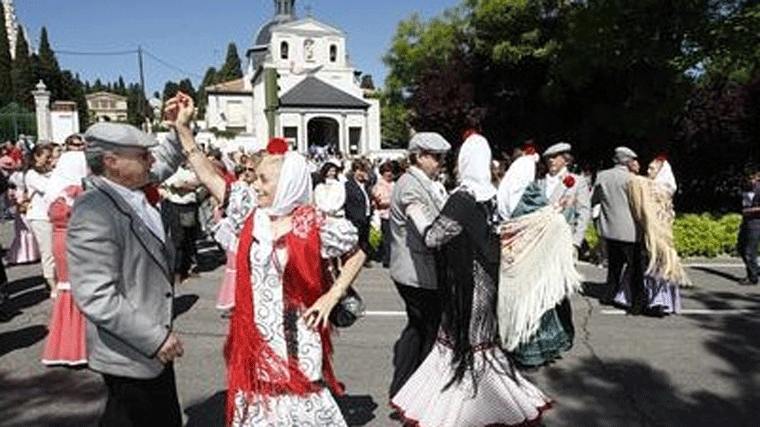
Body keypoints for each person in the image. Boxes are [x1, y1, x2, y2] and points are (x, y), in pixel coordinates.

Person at [164, 92, 367, 426]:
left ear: (287, 183)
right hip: (254, 336)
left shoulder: (312, 222)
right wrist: (184, 131)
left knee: (300, 406)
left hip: (297, 335)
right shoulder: (250, 212)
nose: (255, 186)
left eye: (263, 180)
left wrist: (333, 295)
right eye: (255, 178)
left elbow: (358, 251)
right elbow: (209, 176)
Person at [391, 133, 552, 426]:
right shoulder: (490, 196)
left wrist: (418, 214)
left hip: (464, 287)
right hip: (485, 282)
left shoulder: (463, 198)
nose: (448, 163)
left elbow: (434, 236)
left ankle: (464, 412)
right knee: (482, 346)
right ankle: (491, 405)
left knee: (461, 348)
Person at [68, 122, 188, 426]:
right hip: (133, 348)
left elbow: (166, 163)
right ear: (111, 161)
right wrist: (155, 338)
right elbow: (96, 295)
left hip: (150, 345)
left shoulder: (128, 187)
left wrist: (180, 128)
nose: (151, 160)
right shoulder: (95, 210)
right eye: (143, 155)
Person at [388, 132, 450, 398]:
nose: (440, 162)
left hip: (414, 271)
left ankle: (402, 389)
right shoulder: (411, 186)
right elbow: (424, 226)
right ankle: (421, 394)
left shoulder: (424, 182)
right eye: (436, 157)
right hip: (416, 273)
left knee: (416, 329)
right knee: (430, 330)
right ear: (419, 156)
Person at [615, 155, 687, 315]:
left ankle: (658, 301)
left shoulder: (662, 188)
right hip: (646, 232)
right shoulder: (648, 185)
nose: (648, 171)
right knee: (643, 263)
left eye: (652, 169)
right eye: (648, 168)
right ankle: (638, 297)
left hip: (659, 234)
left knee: (657, 264)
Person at [41, 136, 89, 366]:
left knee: (66, 289)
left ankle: (64, 345)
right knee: (82, 289)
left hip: (60, 240)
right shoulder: (79, 190)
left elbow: (51, 214)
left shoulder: (54, 188)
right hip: (79, 243)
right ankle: (81, 346)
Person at [592, 146, 645, 313]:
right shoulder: (632, 179)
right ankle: (637, 302)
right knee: (636, 268)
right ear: (627, 161)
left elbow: (595, 201)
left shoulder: (602, 176)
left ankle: (609, 295)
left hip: (609, 228)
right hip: (630, 231)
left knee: (614, 267)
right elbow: (640, 205)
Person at [214, 152, 261, 313]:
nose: (247, 173)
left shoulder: (255, 188)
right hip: (241, 234)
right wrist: (240, 229)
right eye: (245, 169)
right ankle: (236, 302)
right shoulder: (239, 188)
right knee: (239, 268)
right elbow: (236, 211)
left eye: (251, 170)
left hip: (255, 234)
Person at [25, 143, 56, 296]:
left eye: (52, 156)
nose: (50, 160)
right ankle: (52, 285)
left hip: (53, 217)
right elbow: (50, 189)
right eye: (47, 157)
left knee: (58, 251)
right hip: (40, 217)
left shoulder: (51, 172)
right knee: (48, 252)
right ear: (37, 156)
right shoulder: (31, 174)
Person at [344, 158, 373, 256]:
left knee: (365, 238)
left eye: (364, 171)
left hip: (366, 215)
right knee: (356, 239)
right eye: (359, 171)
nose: (362, 173)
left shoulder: (366, 185)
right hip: (355, 217)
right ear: (354, 171)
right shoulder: (349, 185)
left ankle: (364, 256)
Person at [738, 170, 760, 285]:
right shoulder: (746, 187)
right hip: (746, 220)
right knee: (741, 247)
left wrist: (750, 210)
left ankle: (753, 278)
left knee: (750, 251)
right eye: (748, 178)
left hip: (756, 222)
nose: (750, 180)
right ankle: (756, 269)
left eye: (753, 178)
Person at [372, 161, 395, 268]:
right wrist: (393, 202)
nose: (389, 174)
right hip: (384, 215)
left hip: (394, 215)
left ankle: (392, 258)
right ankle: (387, 259)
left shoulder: (394, 184)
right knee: (387, 238)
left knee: (393, 238)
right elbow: (379, 201)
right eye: (386, 171)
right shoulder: (379, 185)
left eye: (390, 171)